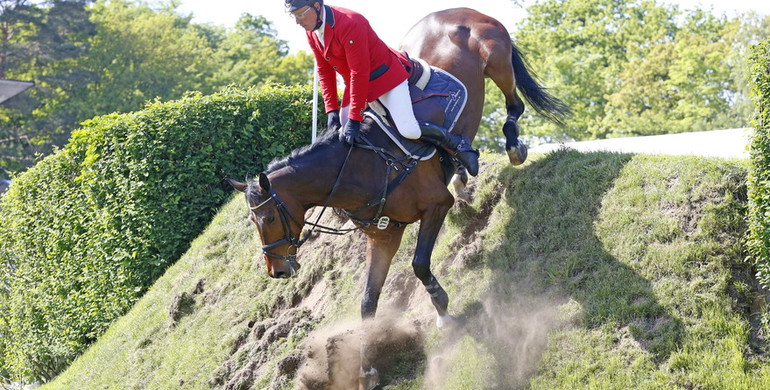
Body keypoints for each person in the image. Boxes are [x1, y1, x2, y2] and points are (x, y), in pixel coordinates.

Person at [285, 0, 480, 176]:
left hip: (386, 79)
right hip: (356, 85)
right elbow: (324, 71)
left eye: (300, 14)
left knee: (408, 129)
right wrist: (332, 111)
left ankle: (458, 145)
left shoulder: (350, 22)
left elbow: (359, 72)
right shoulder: (312, 31)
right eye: (293, 16)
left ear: (317, 6)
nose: (297, 22)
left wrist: (354, 119)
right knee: (343, 139)